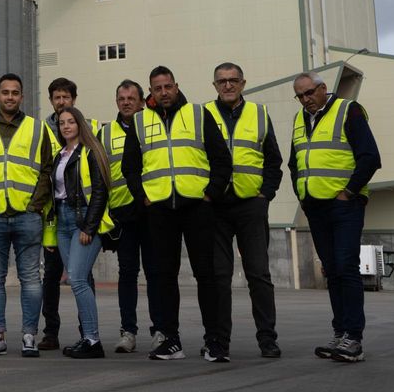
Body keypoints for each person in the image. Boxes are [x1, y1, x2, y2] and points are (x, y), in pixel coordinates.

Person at [121, 66, 232, 362]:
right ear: (150, 92)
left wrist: (211, 194)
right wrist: (143, 197)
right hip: (158, 210)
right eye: (157, 88)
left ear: (176, 85)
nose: (164, 92)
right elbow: (130, 168)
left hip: (197, 206)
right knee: (163, 277)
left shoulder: (197, 114)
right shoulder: (140, 121)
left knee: (206, 275)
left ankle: (215, 341)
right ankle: (171, 340)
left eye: (168, 86)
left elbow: (221, 159)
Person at [290, 72, 380, 363]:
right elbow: (294, 163)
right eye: (300, 96)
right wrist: (302, 196)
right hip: (315, 207)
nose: (306, 99)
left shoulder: (348, 110)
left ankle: (353, 338)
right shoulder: (299, 119)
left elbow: (370, 156)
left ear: (323, 89)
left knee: (346, 267)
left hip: (344, 206)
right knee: (332, 271)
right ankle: (340, 333)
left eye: (309, 93)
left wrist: (350, 191)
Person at [0, 73, 53, 358]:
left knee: (31, 278)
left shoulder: (38, 128)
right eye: (5, 92)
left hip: (26, 215)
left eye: (15, 92)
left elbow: (47, 169)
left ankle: (29, 335)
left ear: (22, 96)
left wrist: (35, 204)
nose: (9, 97)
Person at [206, 62, 284, 359]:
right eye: (222, 81)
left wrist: (266, 195)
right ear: (214, 85)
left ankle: (267, 339)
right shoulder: (203, 114)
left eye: (233, 80)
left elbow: (273, 161)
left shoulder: (259, 114)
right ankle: (218, 341)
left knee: (259, 275)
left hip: (251, 205)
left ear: (243, 83)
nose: (228, 85)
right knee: (219, 277)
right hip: (216, 207)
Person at [98, 80, 164, 353]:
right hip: (123, 214)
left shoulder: (154, 125)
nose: (125, 102)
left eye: (131, 98)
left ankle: (160, 329)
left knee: (155, 273)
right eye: (121, 98)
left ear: (141, 101)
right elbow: (101, 177)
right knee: (127, 274)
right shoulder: (105, 133)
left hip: (151, 211)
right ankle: (128, 332)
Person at [51, 107, 111, 359]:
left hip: (82, 219)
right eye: (62, 123)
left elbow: (100, 190)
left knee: (76, 278)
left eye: (71, 122)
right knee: (79, 280)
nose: (66, 126)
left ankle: (93, 340)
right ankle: (87, 336)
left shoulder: (90, 151)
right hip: (63, 222)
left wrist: (89, 226)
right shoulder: (60, 155)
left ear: (80, 124)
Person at [38, 77, 84, 351]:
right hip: (53, 215)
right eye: (57, 97)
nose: (61, 102)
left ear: (74, 99)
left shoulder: (84, 128)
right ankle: (51, 332)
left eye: (66, 97)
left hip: (78, 213)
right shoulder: (42, 130)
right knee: (51, 275)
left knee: (81, 275)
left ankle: (86, 330)